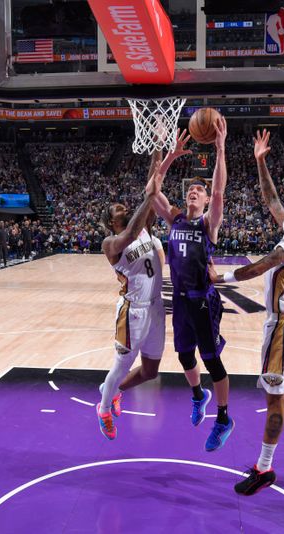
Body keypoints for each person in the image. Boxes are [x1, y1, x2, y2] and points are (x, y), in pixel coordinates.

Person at [210, 129, 284, 495]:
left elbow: (263, 265)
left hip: (282, 323)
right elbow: (272, 199)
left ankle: (264, 468)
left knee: (275, 395)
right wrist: (261, 160)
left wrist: (222, 278)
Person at [149, 120, 233, 452]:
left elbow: (218, 191)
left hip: (203, 301)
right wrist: (168, 157)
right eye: (189, 190)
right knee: (184, 355)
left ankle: (224, 418)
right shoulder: (175, 218)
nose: (191, 193)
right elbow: (151, 191)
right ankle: (199, 396)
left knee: (212, 362)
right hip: (181, 301)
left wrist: (221, 148)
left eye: (196, 191)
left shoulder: (208, 223)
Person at [95, 153, 165, 440]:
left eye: (125, 206)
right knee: (120, 365)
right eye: (117, 209)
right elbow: (134, 226)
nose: (123, 208)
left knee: (150, 371)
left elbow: (152, 181)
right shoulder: (111, 244)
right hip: (132, 312)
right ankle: (103, 409)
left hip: (157, 309)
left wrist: (158, 149)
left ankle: (114, 392)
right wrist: (150, 195)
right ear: (111, 221)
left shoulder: (144, 226)